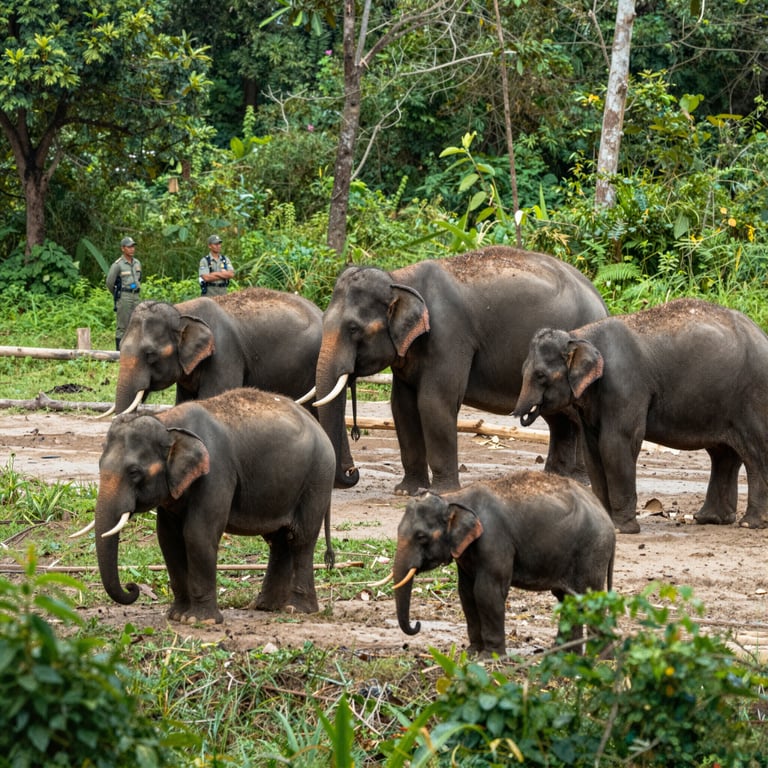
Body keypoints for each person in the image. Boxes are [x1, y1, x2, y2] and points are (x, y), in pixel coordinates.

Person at [106, 236, 142, 351]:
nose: (132, 249)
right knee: (123, 325)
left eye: (133, 246)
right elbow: (109, 283)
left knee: (137, 323)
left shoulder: (137, 263)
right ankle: (119, 352)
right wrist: (119, 294)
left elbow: (139, 278)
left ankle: (134, 350)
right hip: (124, 296)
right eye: (129, 247)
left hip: (136, 295)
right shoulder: (118, 265)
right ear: (123, 248)